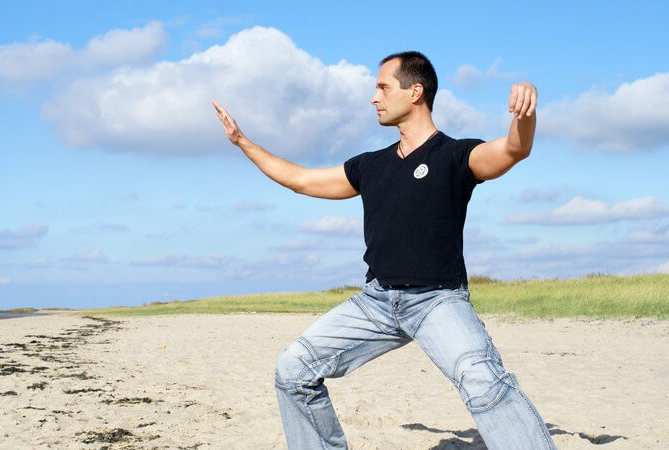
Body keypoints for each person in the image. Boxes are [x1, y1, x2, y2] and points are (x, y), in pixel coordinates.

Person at [212, 51, 556, 450]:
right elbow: (301, 180)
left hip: (436, 301)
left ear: (415, 92)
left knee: (482, 380)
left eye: (381, 87)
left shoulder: (455, 156)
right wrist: (242, 142)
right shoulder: (370, 166)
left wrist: (524, 115)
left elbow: (513, 149)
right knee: (293, 368)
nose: (373, 98)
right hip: (375, 304)